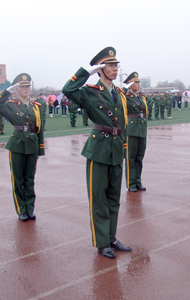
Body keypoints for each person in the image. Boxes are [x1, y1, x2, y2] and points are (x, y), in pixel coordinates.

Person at [62, 46, 131, 259]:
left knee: (114, 198)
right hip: (99, 150)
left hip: (116, 149)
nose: (114, 69)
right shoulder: (90, 92)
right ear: (101, 69)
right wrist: (87, 72)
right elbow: (68, 89)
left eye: (116, 65)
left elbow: (124, 123)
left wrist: (124, 148)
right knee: (99, 198)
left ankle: (111, 237)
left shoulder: (120, 94)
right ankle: (102, 243)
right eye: (110, 65)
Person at [0, 73, 45, 221]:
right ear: (16, 88)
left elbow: (40, 128)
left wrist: (40, 149)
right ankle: (21, 209)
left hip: (32, 145)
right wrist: (7, 91)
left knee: (30, 178)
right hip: (17, 144)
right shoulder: (10, 105)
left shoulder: (36, 106)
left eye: (28, 86)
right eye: (22, 86)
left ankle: (30, 208)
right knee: (17, 179)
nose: (26, 89)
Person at [123, 72, 148, 192]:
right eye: (135, 82)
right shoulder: (126, 96)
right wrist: (126, 87)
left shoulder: (140, 97)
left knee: (139, 157)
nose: (138, 84)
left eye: (138, 82)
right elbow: (119, 93)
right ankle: (131, 183)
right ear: (130, 84)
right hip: (132, 129)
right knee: (130, 157)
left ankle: (138, 181)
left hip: (142, 128)